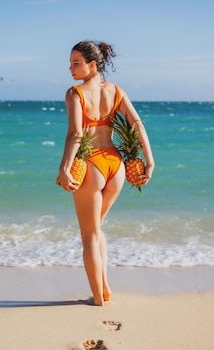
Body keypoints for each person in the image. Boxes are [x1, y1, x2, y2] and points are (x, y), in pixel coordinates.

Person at [56, 40, 154, 306]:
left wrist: (65, 167)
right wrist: (150, 159)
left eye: (76, 63)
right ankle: (106, 289)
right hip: (116, 166)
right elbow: (136, 123)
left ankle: (97, 299)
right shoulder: (116, 91)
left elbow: (76, 133)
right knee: (97, 230)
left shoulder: (75, 93)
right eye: (70, 63)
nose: (70, 68)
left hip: (92, 166)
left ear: (92, 64)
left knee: (88, 235)